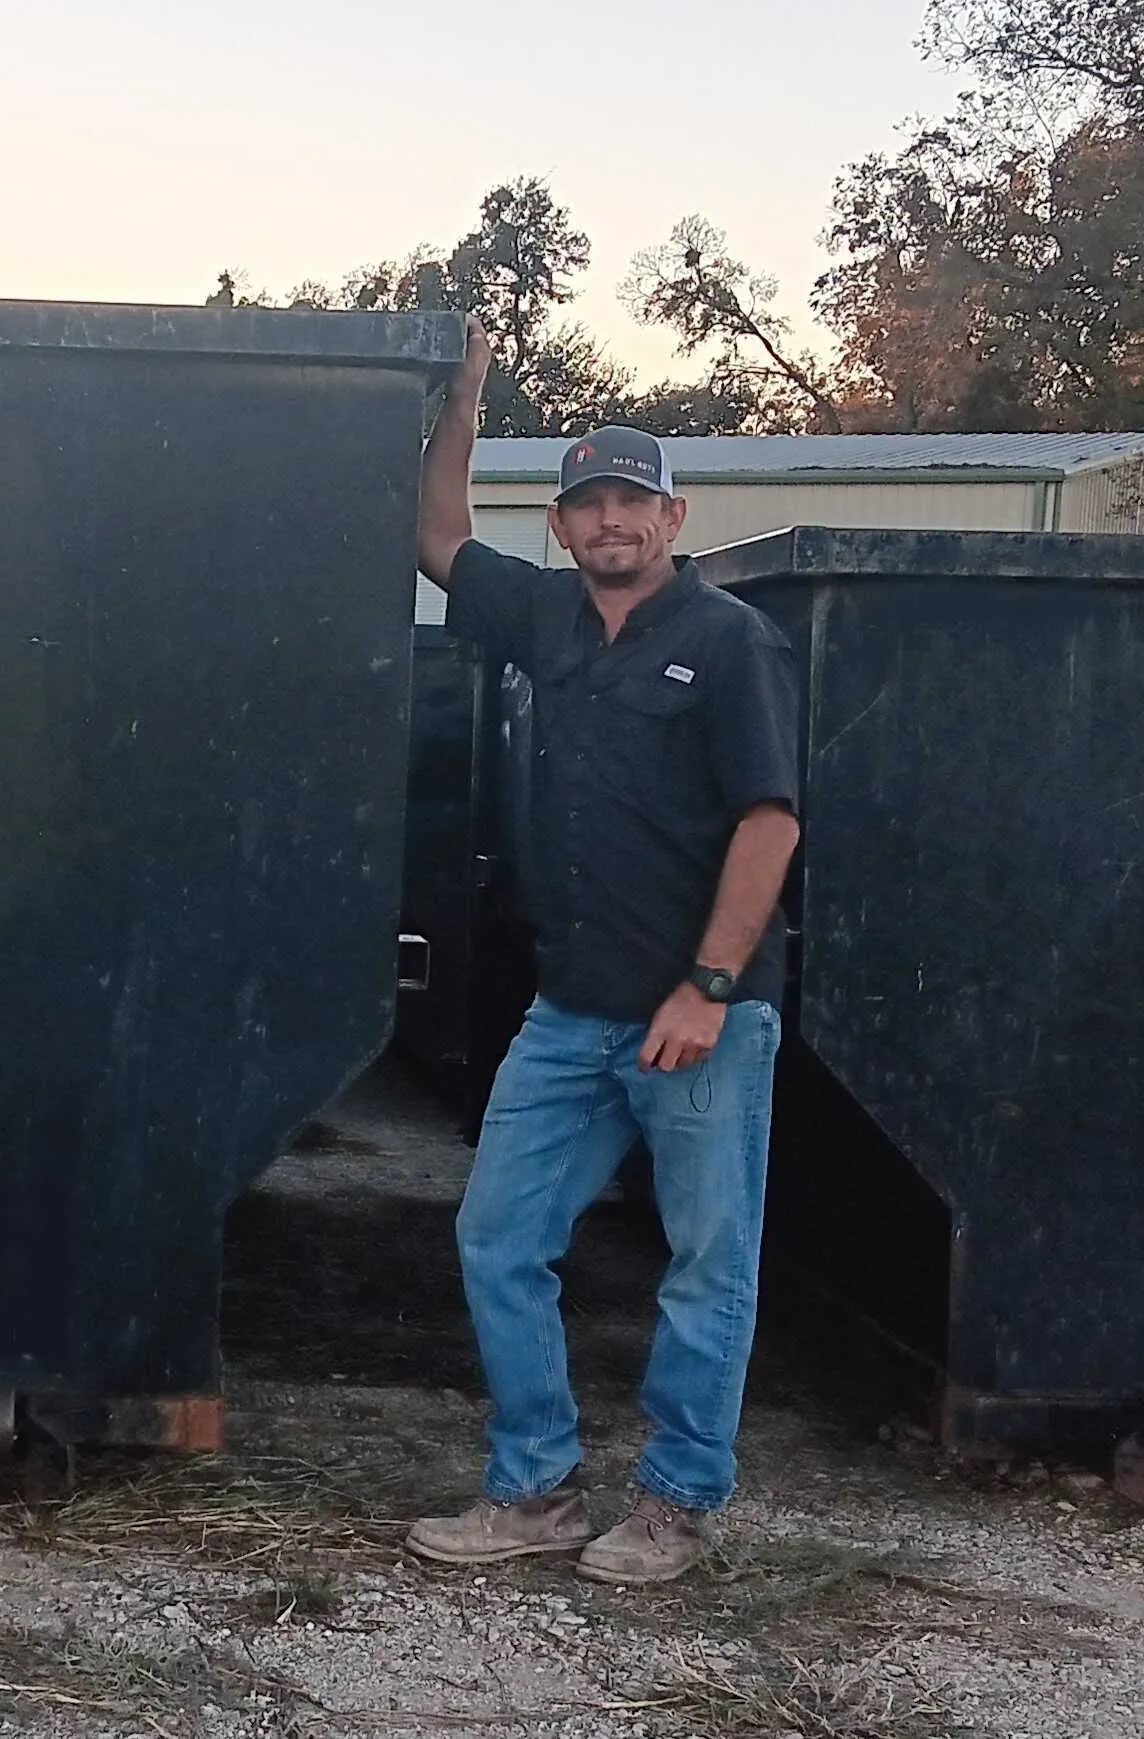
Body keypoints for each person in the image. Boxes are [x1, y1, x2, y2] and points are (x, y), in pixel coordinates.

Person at [404, 316, 801, 1587]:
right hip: (569, 1015)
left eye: (632, 503)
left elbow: (768, 819)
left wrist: (708, 983)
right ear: (563, 529)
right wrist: (461, 403)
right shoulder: (539, 618)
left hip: (698, 1020)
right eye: (588, 508)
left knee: (704, 1261)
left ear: (671, 520)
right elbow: (435, 537)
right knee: (496, 1235)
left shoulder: (731, 642)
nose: (610, 524)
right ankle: (535, 1488)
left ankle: (676, 1503)